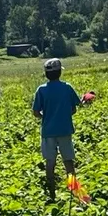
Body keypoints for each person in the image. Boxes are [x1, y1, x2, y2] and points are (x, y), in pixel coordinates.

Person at [31, 58, 81, 199]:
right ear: (59, 72)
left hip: (48, 131)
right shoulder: (67, 87)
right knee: (68, 161)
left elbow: (36, 112)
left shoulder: (41, 90)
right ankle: (74, 190)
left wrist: (46, 117)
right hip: (65, 129)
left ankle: (51, 190)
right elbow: (74, 109)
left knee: (50, 161)